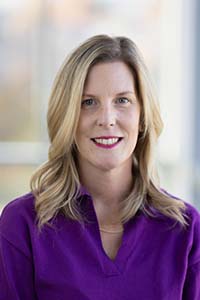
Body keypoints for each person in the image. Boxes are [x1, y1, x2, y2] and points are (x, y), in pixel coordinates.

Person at [0, 34, 199, 300]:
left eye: (122, 100)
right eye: (88, 102)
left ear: (142, 116)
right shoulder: (23, 224)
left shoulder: (185, 229)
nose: (107, 119)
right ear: (67, 116)